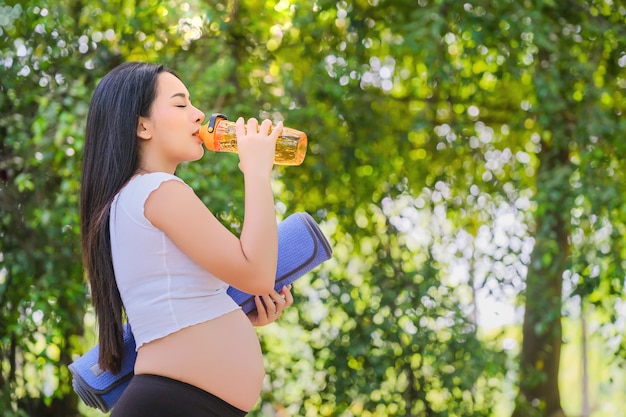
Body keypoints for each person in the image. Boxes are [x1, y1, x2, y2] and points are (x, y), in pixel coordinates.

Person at [80, 61, 293, 417]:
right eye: (181, 104)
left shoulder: (131, 197)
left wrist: (239, 315)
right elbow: (256, 274)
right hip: (173, 402)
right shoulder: (157, 189)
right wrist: (256, 170)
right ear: (142, 125)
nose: (199, 115)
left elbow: (173, 299)